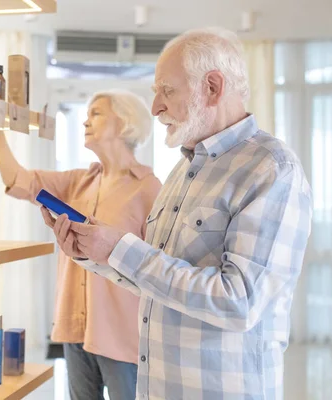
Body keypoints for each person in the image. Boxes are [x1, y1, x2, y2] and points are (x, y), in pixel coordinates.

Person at [43, 28, 312, 400]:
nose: (155, 108)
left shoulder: (271, 170)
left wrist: (121, 247)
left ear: (213, 87)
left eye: (166, 91)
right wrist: (93, 252)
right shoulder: (183, 170)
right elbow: (154, 282)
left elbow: (239, 302)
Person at [0, 89, 161, 400]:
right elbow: (18, 180)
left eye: (96, 113)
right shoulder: (79, 182)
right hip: (76, 328)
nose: (85, 120)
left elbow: (158, 267)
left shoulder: (149, 189)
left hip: (122, 333)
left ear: (124, 123)